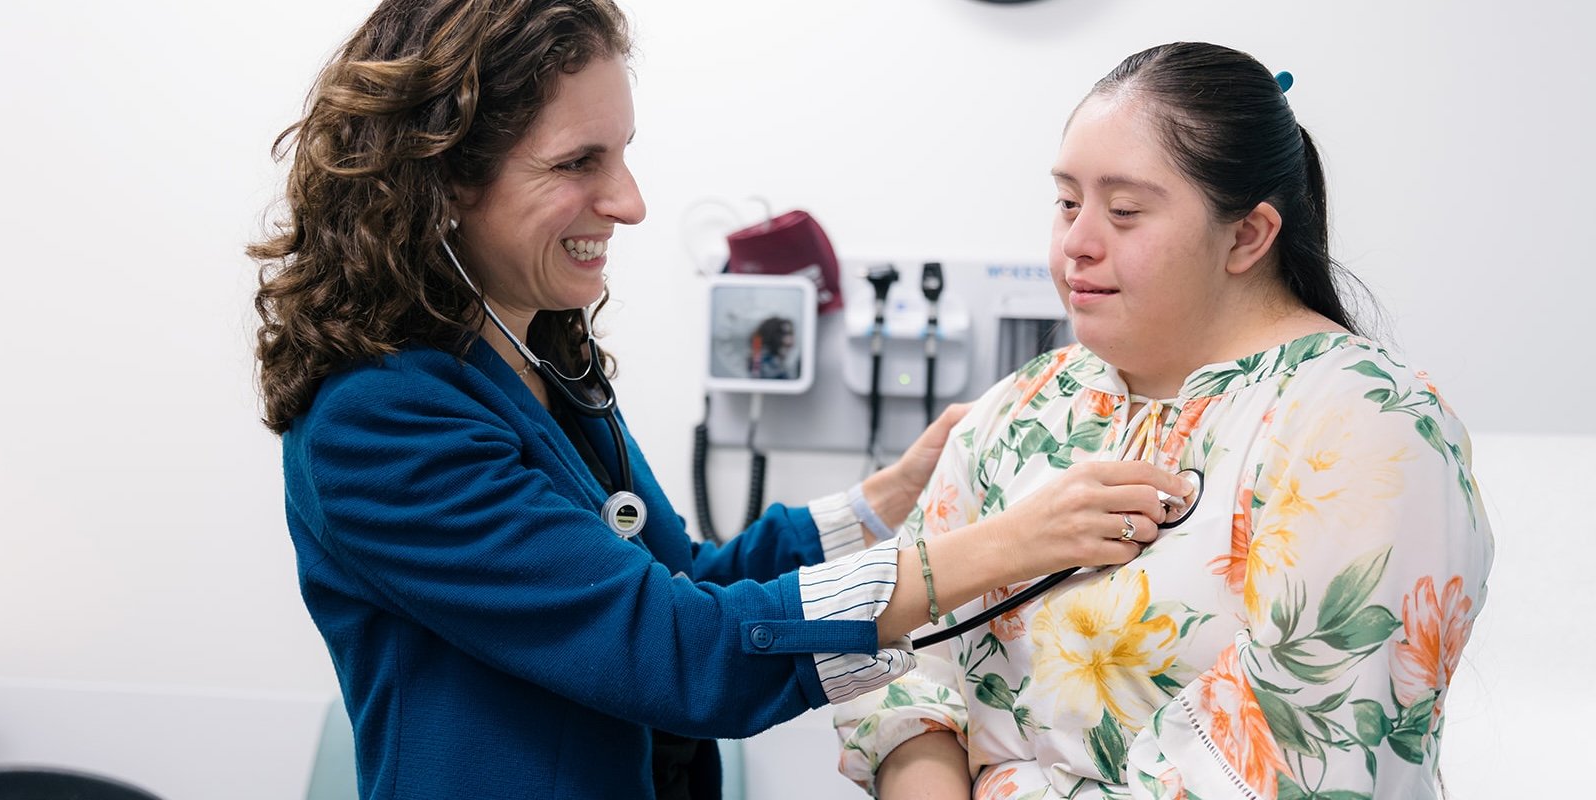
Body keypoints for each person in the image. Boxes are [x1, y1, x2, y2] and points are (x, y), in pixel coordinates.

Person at [248, 2, 1189, 798]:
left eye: (622, 154)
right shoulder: (377, 419)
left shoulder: (534, 359)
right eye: (579, 162)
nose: (630, 201)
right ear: (445, 178)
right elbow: (678, 650)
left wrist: (887, 499)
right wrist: (1003, 546)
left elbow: (685, 575)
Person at [833, 42, 1493, 800]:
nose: (1077, 242)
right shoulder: (1022, 409)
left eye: (1123, 212)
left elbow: (1303, 761)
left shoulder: (1364, 430)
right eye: (1067, 203)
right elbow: (905, 666)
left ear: (1248, 236)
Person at [748, 315, 797, 380]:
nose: (791, 340)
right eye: (786, 334)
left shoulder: (764, 361)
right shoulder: (766, 365)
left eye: (791, 334)